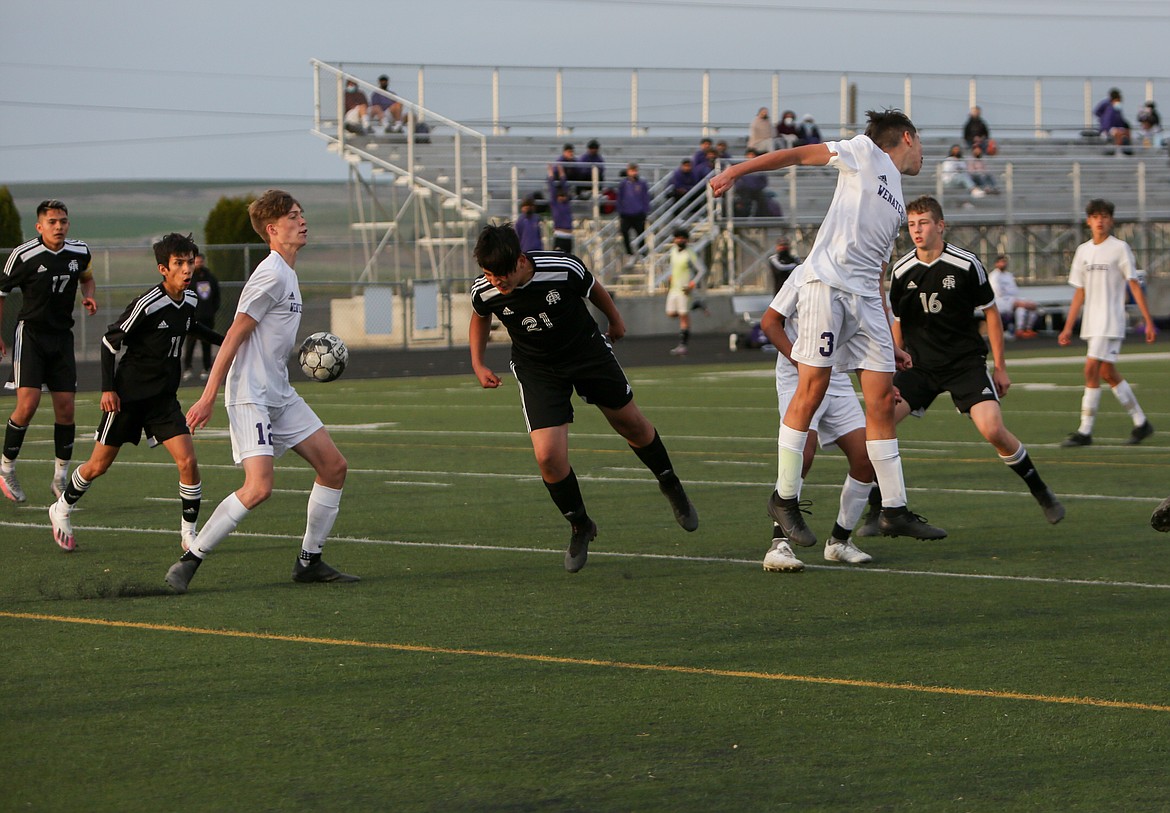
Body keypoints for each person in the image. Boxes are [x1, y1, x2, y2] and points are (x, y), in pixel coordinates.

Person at [709, 108, 945, 546]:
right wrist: (738, 170)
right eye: (923, 147)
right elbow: (798, 155)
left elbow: (877, 271)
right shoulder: (864, 151)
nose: (924, 159)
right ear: (908, 138)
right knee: (812, 387)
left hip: (865, 299)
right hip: (828, 287)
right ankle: (784, 499)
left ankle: (893, 508)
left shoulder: (894, 188)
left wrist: (885, 335)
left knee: (880, 400)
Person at [468, 224, 698, 573]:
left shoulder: (562, 267)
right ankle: (580, 525)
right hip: (538, 369)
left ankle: (670, 482)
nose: (496, 282)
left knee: (631, 425)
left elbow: (595, 290)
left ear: (519, 260)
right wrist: (478, 362)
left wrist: (615, 321)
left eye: (501, 274)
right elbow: (480, 316)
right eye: (488, 274)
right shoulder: (485, 288)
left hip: (587, 353)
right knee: (547, 456)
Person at [164, 189, 357, 593]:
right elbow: (234, 335)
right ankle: (190, 558)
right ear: (272, 229)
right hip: (251, 393)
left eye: (302, 214)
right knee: (259, 488)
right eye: (292, 217)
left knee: (334, 467)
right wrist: (208, 395)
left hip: (279, 392)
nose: (302, 221)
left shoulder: (288, 273)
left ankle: (309, 561)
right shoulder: (270, 274)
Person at [876, 196, 1064, 528]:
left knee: (993, 428)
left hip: (964, 363)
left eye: (923, 223)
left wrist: (1001, 366)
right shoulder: (902, 269)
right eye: (912, 224)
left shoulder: (966, 264)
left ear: (940, 225)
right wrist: (892, 367)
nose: (916, 230)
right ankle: (880, 506)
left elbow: (991, 313)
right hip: (920, 366)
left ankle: (1040, 490)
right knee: (880, 423)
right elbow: (899, 321)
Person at [48, 233, 223, 552]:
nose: (187, 269)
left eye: (189, 262)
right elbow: (108, 342)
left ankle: (188, 534)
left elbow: (191, 327)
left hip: (163, 401)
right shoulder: (148, 303)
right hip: (128, 398)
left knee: (188, 462)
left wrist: (229, 342)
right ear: (163, 269)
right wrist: (107, 389)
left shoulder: (192, 299)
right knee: (98, 466)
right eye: (179, 264)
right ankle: (61, 507)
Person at [760, 280, 877, 572]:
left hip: (835, 377)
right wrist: (799, 361)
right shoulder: (805, 273)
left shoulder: (858, 277)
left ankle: (839, 542)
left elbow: (858, 334)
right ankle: (778, 545)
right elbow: (770, 322)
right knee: (804, 453)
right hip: (798, 377)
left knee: (867, 458)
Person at [0, 199, 98, 504]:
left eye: (63, 221)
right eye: (53, 222)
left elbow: (87, 277)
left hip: (61, 338)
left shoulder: (79, 251)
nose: (59, 227)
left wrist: (89, 296)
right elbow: (1, 294)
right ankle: (6, 468)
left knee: (66, 409)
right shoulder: (23, 255)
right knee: (27, 405)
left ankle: (60, 476)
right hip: (31, 335)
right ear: (39, 226)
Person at [1057, 198, 1157, 447]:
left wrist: (1148, 320)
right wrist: (1068, 327)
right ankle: (1141, 423)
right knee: (1107, 373)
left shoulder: (1120, 248)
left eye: (1104, 216)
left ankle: (1085, 431)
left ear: (1111, 220)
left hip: (1111, 320)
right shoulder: (1083, 251)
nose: (1100, 221)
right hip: (1092, 321)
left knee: (1090, 369)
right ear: (1089, 221)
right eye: (1095, 216)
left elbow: (1133, 283)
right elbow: (1079, 291)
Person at [665, 228, 707, 356]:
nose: (680, 240)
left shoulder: (690, 253)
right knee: (671, 313)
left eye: (683, 237)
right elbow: (673, 267)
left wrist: (692, 284)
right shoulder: (672, 251)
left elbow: (702, 270)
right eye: (678, 237)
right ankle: (695, 306)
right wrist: (671, 277)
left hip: (684, 290)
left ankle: (683, 345)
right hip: (674, 288)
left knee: (683, 315)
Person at [182, 252, 221, 381]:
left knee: (207, 344)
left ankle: (206, 368)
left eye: (200, 261)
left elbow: (216, 297)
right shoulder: (189, 278)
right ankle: (187, 368)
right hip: (193, 318)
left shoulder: (211, 278)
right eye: (196, 262)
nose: (199, 264)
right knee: (190, 344)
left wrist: (211, 311)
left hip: (207, 318)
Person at [988, 255, 1040, 338]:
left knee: (1025, 307)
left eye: (1005, 262)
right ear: (996, 264)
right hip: (1000, 301)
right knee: (1023, 305)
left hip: (1012, 299)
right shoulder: (994, 276)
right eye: (1002, 262)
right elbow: (998, 292)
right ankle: (1020, 330)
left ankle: (1026, 329)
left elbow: (1014, 290)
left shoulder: (1008, 275)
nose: (1004, 264)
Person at [616, 162, 650, 261]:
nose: (633, 173)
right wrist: (620, 211)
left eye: (635, 170)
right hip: (626, 214)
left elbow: (645, 197)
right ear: (628, 171)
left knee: (640, 233)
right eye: (631, 171)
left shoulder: (642, 183)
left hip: (639, 213)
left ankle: (643, 253)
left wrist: (645, 211)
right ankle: (629, 253)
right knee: (624, 232)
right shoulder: (623, 184)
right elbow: (620, 198)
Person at [733, 148, 772, 217]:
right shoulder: (741, 166)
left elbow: (764, 181)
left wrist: (757, 187)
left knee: (763, 201)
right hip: (743, 190)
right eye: (749, 155)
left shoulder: (760, 167)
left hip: (756, 190)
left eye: (752, 155)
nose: (750, 157)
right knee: (743, 203)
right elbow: (737, 181)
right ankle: (743, 219)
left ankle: (761, 219)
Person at [1094, 88, 1133, 154]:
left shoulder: (1117, 110)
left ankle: (1128, 150)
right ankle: (1117, 151)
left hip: (1116, 127)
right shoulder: (1108, 108)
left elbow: (1121, 121)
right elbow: (1106, 123)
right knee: (1118, 133)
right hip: (1108, 129)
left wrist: (1125, 126)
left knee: (1125, 132)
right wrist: (1102, 120)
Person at [546, 174, 574, 253]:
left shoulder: (567, 204)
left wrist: (562, 175)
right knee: (557, 256)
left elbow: (565, 187)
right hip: (559, 234)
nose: (562, 197)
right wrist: (551, 175)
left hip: (569, 235)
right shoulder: (555, 204)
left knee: (568, 257)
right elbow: (552, 189)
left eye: (563, 196)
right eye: (560, 196)